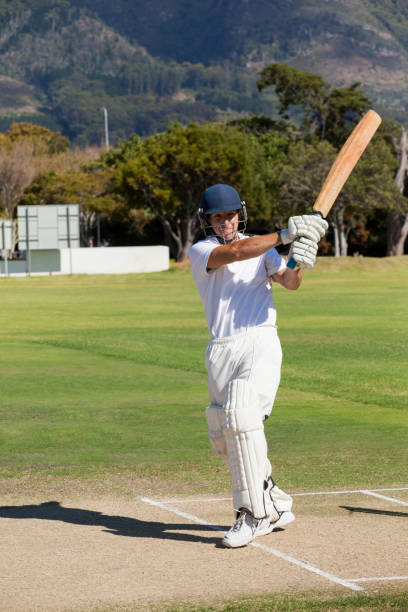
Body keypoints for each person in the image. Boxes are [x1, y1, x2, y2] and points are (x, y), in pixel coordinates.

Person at [188, 183, 328, 548]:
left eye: (230, 215)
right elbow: (234, 253)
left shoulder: (263, 250)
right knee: (223, 435)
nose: (225, 223)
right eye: (218, 217)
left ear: (240, 213)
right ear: (207, 221)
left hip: (259, 341)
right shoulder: (203, 251)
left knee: (240, 416)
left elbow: (290, 282)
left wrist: (299, 258)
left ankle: (253, 514)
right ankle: (276, 502)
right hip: (221, 348)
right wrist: (284, 234)